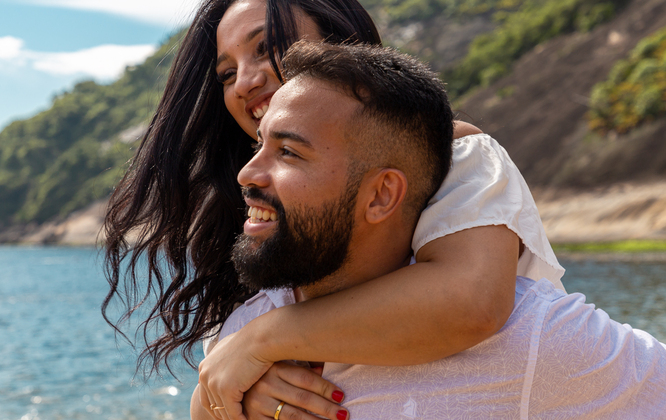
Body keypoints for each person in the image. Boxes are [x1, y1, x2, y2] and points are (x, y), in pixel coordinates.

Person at [102, 0, 564, 418]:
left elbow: (471, 301)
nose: (245, 81)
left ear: (341, 46)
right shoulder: (255, 210)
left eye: (266, 48)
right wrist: (241, 389)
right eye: (226, 74)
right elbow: (220, 376)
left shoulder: (454, 152)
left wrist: (260, 342)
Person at [195, 40, 666, 419]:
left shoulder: (532, 339)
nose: (247, 175)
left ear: (382, 195)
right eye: (260, 146)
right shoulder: (242, 341)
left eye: (290, 153)